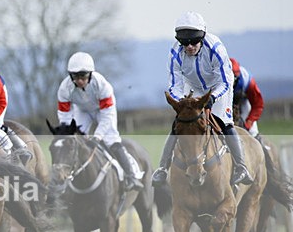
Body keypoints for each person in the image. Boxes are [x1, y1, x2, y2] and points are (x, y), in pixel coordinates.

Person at [152, 11, 252, 187]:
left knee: (224, 122)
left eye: (194, 41)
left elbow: (225, 81)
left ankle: (241, 167)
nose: (190, 46)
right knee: (179, 124)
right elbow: (174, 85)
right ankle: (162, 168)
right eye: (185, 43)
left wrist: (213, 97)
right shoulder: (175, 52)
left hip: (218, 87)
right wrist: (183, 102)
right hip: (193, 89)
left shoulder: (215, 48)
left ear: (202, 37)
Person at [57, 51, 143, 191]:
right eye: (75, 76)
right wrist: (67, 133)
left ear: (90, 74)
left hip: (104, 111)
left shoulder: (101, 84)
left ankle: (131, 175)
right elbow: (64, 115)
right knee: (75, 141)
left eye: (83, 76)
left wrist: (97, 136)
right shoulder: (64, 88)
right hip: (82, 111)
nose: (79, 80)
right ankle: (69, 177)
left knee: (111, 139)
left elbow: (107, 116)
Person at [230, 57, 264, 137]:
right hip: (222, 101)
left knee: (252, 132)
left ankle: (256, 139)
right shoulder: (215, 76)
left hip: (242, 102)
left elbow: (257, 105)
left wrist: (248, 123)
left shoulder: (247, 81)